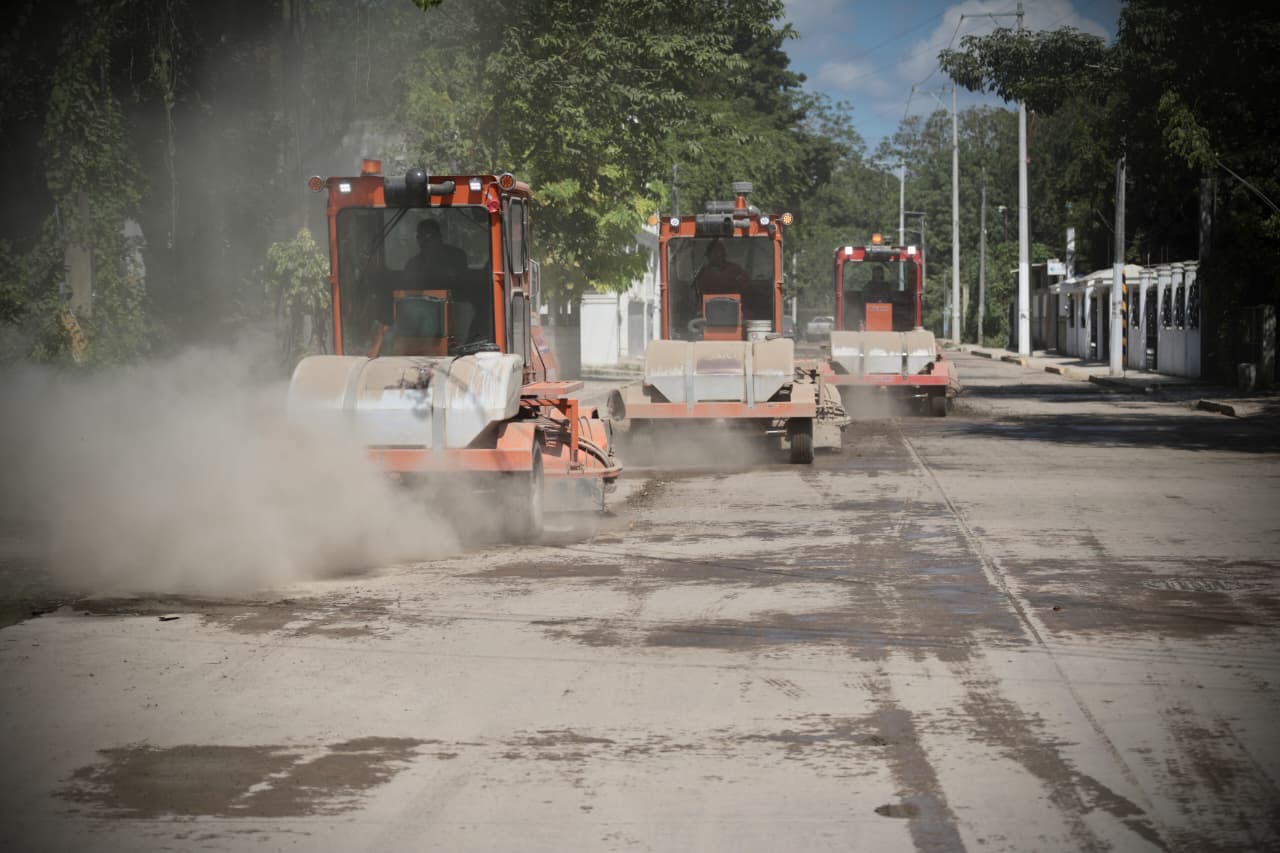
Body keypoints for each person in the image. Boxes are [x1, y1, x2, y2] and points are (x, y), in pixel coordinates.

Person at [692, 239, 749, 303]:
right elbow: (697, 292)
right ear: (708, 255)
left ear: (724, 253)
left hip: (734, 305)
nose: (718, 255)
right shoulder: (702, 273)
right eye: (715, 252)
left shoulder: (735, 269)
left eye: (721, 251)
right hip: (708, 307)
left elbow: (745, 285)